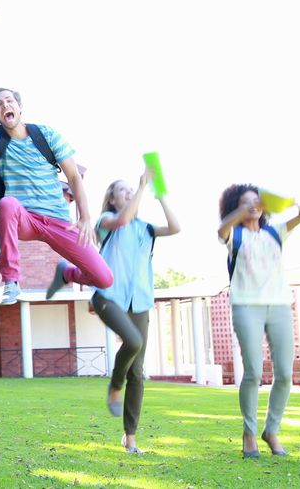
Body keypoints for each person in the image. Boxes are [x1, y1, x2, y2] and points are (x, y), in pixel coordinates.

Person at [0, 53, 112, 305]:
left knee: (104, 278)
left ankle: (66, 273)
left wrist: (85, 217)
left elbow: (74, 176)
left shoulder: (46, 135)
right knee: (8, 203)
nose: (5, 106)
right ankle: (11, 281)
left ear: (19, 107)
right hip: (26, 219)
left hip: (58, 221)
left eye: (9, 101)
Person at [217, 184, 300, 458]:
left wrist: (280, 200)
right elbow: (220, 231)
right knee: (254, 372)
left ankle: (271, 430)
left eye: (256, 202)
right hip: (247, 307)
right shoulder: (235, 234)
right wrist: (239, 213)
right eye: (245, 203)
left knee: (284, 373)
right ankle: (249, 433)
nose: (252, 206)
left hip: (279, 305)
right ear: (236, 207)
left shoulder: (275, 232)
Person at [92, 167, 180, 454]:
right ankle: (115, 386)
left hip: (140, 302)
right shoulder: (106, 221)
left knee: (139, 373)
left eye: (132, 190)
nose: (129, 193)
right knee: (133, 342)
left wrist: (160, 195)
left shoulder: (145, 228)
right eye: (123, 191)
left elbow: (176, 227)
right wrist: (142, 186)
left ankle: (130, 438)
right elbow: (124, 217)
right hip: (109, 297)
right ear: (112, 200)